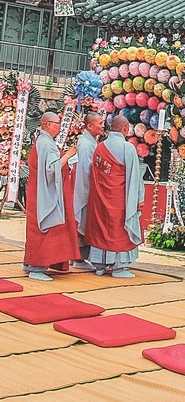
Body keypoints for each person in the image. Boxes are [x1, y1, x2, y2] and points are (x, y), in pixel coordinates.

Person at [85, 114, 145, 278]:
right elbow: (134, 176)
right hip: (120, 198)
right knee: (119, 229)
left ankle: (100, 265)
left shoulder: (100, 147)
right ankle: (119, 267)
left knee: (102, 228)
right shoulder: (128, 148)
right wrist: (138, 198)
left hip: (101, 197)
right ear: (125, 129)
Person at [23, 111, 79, 281]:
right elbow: (51, 169)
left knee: (36, 226)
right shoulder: (46, 144)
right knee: (45, 226)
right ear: (47, 124)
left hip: (38, 191)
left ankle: (31, 262)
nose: (60, 127)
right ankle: (36, 266)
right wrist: (68, 155)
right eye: (57, 124)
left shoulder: (43, 141)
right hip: (44, 193)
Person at [72, 111, 104, 271]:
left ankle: (78, 257)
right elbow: (85, 171)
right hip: (84, 188)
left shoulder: (90, 141)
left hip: (87, 187)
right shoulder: (85, 144)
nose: (102, 125)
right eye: (100, 122)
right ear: (90, 126)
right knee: (82, 221)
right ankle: (78, 258)